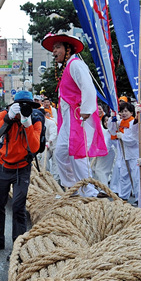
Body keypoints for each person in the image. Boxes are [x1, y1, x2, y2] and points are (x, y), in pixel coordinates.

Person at [42, 32, 107, 197]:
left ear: (68, 49)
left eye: (57, 47)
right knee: (61, 153)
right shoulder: (67, 67)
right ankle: (73, 188)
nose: (54, 51)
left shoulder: (76, 64)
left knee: (77, 152)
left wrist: (86, 110)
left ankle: (88, 190)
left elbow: (88, 88)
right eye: (54, 48)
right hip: (67, 118)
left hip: (77, 116)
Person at [0, 91, 43, 251]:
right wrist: (9, 117)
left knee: (18, 206)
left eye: (27, 105)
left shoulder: (35, 119)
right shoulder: (4, 114)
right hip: (2, 166)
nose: (24, 108)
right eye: (20, 104)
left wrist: (27, 123)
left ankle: (18, 246)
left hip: (22, 168)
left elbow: (35, 147)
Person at [108, 102, 140, 203]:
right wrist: (112, 119)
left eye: (126, 111)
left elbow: (135, 139)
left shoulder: (133, 123)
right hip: (123, 154)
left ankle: (138, 198)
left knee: (136, 177)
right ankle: (123, 196)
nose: (124, 113)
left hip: (133, 154)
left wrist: (123, 137)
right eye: (122, 111)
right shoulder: (119, 122)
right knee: (123, 176)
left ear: (131, 112)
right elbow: (112, 130)